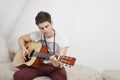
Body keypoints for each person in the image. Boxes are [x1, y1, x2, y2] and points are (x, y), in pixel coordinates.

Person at [13, 11, 69, 80]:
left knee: (62, 78)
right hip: (37, 66)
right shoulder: (37, 34)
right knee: (18, 75)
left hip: (54, 68)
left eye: (46, 26)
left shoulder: (63, 38)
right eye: (41, 28)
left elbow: (61, 63)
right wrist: (23, 48)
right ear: (38, 27)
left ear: (51, 23)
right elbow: (21, 38)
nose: (45, 30)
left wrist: (56, 64)